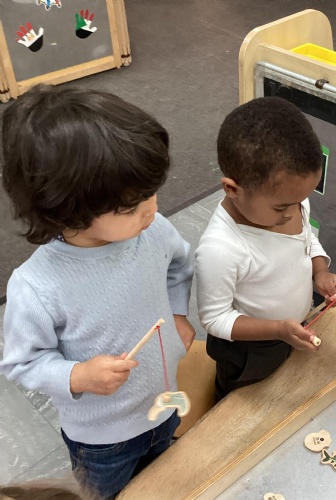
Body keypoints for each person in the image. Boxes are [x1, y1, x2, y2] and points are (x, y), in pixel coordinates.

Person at [0, 84, 195, 499]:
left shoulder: (153, 231)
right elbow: (21, 362)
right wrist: (78, 375)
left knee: (167, 482)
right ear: (67, 209)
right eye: (131, 206)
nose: (152, 209)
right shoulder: (36, 286)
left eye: (150, 192)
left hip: (163, 403)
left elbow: (180, 263)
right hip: (103, 442)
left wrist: (178, 314)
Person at [195, 97, 336, 401]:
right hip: (250, 350)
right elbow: (215, 319)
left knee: (286, 390)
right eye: (282, 207)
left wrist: (320, 272)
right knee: (242, 405)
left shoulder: (289, 199)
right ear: (232, 189)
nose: (294, 211)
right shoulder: (220, 249)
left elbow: (306, 239)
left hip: (292, 327)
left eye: (300, 201)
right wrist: (277, 329)